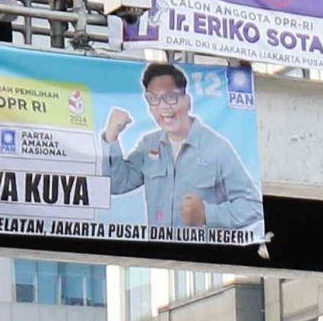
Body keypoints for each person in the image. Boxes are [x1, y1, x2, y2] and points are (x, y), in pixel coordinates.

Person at [101, 60, 262, 232]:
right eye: (153, 99)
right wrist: (111, 138)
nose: (163, 106)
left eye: (171, 97)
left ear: (187, 101)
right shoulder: (148, 145)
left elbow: (253, 207)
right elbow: (117, 185)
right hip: (157, 254)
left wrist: (207, 214)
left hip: (198, 257)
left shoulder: (217, 148)